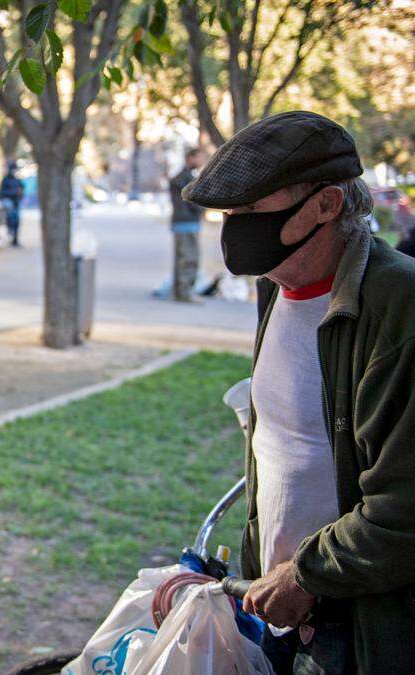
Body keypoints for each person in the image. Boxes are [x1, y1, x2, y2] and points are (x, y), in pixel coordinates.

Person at [182, 110, 415, 674]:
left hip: (361, 628)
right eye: (230, 214)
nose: (237, 229)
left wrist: (306, 574)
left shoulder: (398, 307)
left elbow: (403, 507)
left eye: (254, 211)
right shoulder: (278, 285)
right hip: (282, 612)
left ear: (326, 205)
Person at [169, 147, 207, 301]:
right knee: (189, 258)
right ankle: (185, 293)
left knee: (182, 258)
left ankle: (180, 291)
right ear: (190, 158)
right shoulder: (184, 178)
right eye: (199, 157)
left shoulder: (181, 177)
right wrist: (201, 209)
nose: (202, 161)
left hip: (183, 222)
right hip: (187, 222)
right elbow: (193, 201)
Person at [0, 160, 25, 247]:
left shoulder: (18, 180)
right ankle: (11, 232)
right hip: (9, 202)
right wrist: (13, 193)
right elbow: (2, 193)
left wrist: (19, 196)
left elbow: (22, 190)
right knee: (11, 216)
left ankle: (15, 239)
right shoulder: (5, 180)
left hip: (16, 203)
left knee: (16, 220)